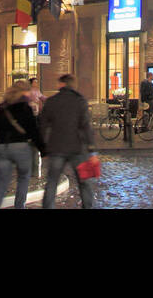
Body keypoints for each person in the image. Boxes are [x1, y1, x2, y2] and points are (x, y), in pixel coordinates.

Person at [38, 74, 96, 209]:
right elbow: (86, 126)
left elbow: (42, 126)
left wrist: (43, 149)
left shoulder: (51, 101)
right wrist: (91, 148)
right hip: (78, 149)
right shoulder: (80, 101)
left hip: (56, 148)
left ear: (62, 85)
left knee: (52, 182)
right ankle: (88, 206)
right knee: (84, 182)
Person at [0, 82, 45, 209]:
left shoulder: (1, 107)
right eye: (29, 91)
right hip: (21, 146)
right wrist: (43, 149)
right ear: (24, 92)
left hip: (2, 146)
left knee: (2, 181)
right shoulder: (25, 107)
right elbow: (33, 130)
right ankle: (19, 206)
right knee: (23, 178)